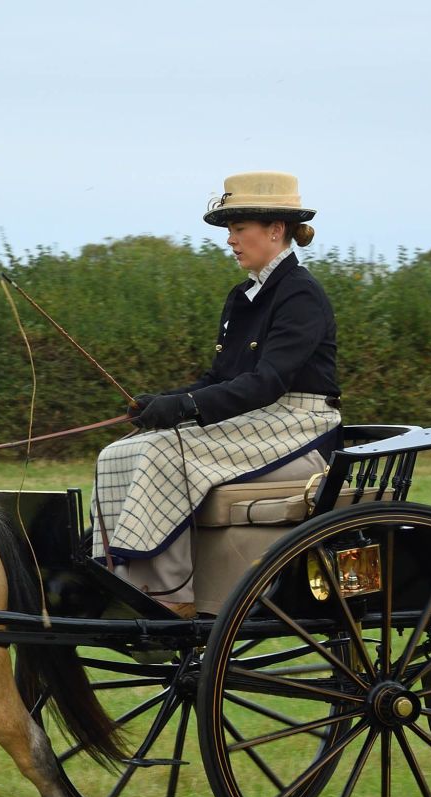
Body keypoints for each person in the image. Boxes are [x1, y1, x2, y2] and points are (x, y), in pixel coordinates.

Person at [93, 171, 341, 616]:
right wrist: (165, 401)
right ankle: (119, 579)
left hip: (299, 427)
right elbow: (219, 379)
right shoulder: (243, 295)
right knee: (116, 453)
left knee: (165, 453)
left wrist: (185, 409)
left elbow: (267, 384)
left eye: (238, 229)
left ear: (275, 230)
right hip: (259, 420)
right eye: (229, 230)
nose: (230, 240)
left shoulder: (301, 294)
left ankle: (167, 597)